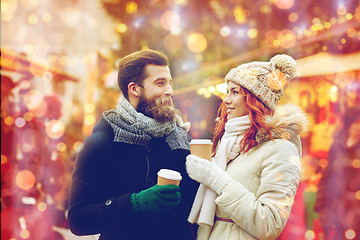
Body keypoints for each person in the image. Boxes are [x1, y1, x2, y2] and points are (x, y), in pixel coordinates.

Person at [68, 49, 198, 240]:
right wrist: (136, 203)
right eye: (160, 83)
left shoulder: (180, 138)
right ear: (134, 89)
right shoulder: (101, 142)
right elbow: (78, 219)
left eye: (169, 82)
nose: (169, 90)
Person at [186, 54, 308, 240]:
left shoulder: (281, 148)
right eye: (227, 92)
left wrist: (216, 179)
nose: (226, 100)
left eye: (235, 92)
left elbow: (269, 224)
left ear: (256, 99)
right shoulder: (229, 143)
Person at [314, 107, 360, 240]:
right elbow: (326, 176)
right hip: (335, 207)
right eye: (355, 123)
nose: (357, 127)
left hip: (357, 210)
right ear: (348, 124)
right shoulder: (336, 147)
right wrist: (321, 206)